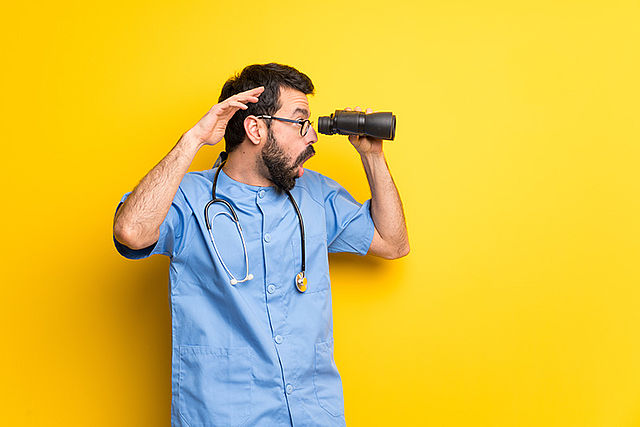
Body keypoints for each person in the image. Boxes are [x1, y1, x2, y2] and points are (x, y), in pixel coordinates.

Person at [112, 63, 409, 426]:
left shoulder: (316, 194)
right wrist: (192, 140)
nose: (312, 135)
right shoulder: (190, 199)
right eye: (300, 122)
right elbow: (131, 231)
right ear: (255, 128)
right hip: (224, 416)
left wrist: (372, 156)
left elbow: (393, 243)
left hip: (312, 414)